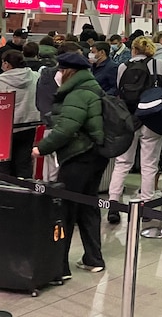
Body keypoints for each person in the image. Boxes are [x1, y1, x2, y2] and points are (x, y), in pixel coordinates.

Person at [32, 52, 108, 276]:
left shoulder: (78, 93)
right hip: (95, 156)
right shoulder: (92, 87)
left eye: (59, 70)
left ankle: (59, 267)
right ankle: (94, 259)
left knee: (65, 211)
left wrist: (41, 148)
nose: (57, 74)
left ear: (68, 71)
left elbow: (66, 129)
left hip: (78, 157)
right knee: (88, 207)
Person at [107, 36, 162, 224]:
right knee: (149, 165)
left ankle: (113, 204)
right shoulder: (160, 65)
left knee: (122, 163)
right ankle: (147, 207)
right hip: (151, 119)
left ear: (133, 50)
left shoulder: (123, 67)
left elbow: (119, 92)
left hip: (129, 119)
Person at [0, 51, 40, 177]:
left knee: (4, 166)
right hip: (29, 125)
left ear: (7, 64)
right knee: (24, 163)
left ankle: (6, 195)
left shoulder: (1, 81)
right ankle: (25, 194)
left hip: (5, 129)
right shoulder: (35, 76)